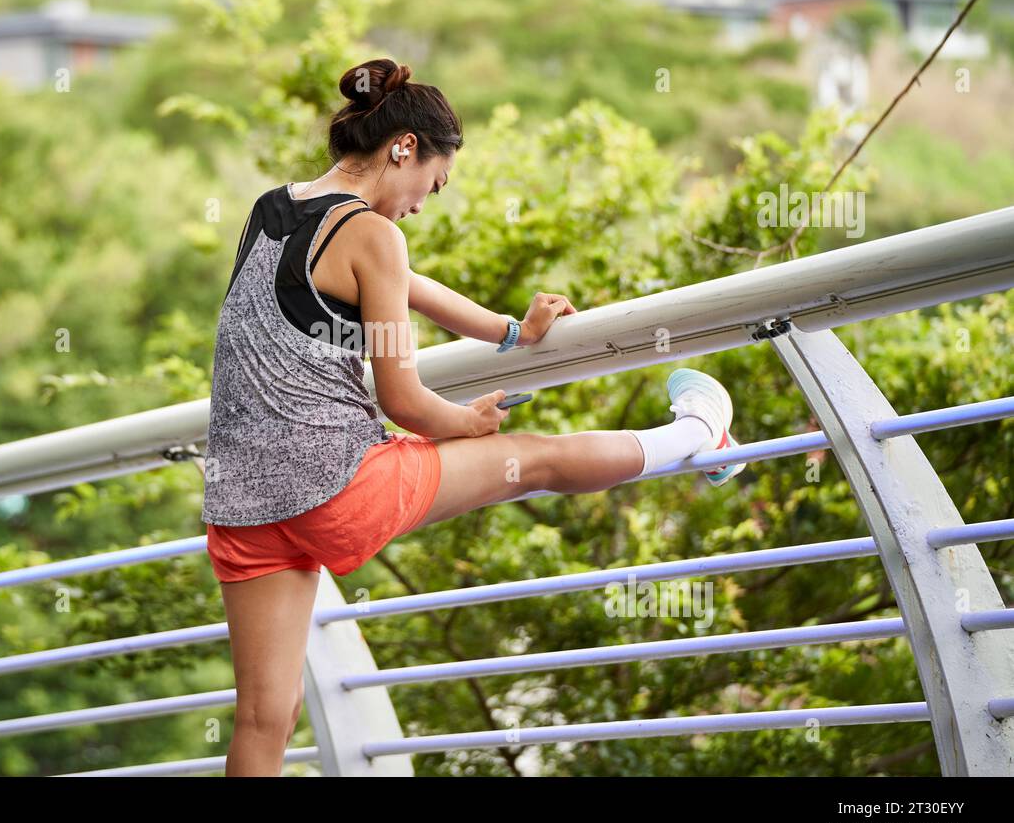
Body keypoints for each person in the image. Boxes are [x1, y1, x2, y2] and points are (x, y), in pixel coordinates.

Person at [200, 57, 746, 776]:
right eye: (433, 181)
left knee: (264, 719)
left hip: (242, 503)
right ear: (404, 148)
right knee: (536, 458)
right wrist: (468, 424)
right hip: (336, 490)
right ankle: (699, 433)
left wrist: (509, 332)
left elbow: (407, 286)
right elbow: (403, 400)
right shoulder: (374, 236)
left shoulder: (275, 206)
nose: (424, 203)